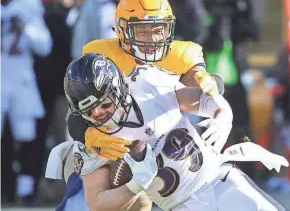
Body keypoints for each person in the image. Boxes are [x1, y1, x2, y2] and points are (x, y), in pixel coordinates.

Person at [47, 53, 288, 211]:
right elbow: (97, 203)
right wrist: (135, 185)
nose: (99, 113)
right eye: (89, 110)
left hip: (220, 180)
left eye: (105, 103)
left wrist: (223, 115)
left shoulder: (146, 85)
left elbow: (203, 98)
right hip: (181, 206)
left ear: (118, 88)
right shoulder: (93, 141)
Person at [67, 0, 223, 161]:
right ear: (122, 29)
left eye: (158, 30)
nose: (152, 39)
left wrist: (203, 79)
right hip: (117, 144)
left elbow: (203, 85)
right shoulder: (103, 57)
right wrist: (88, 135)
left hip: (167, 141)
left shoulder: (182, 54)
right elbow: (75, 114)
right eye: (142, 31)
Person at [1, 0, 52, 204]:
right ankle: (6, 189)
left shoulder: (26, 5)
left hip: (21, 80)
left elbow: (44, 45)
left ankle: (25, 191)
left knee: (27, 136)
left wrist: (26, 27)